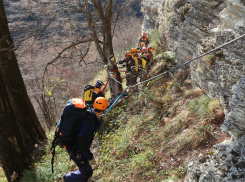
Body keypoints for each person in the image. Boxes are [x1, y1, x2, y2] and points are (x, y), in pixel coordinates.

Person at [63, 97, 108, 182]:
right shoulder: (89, 122)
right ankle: (67, 179)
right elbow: (82, 141)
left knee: (86, 171)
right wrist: (90, 157)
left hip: (77, 148)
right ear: (104, 109)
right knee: (86, 172)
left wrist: (99, 120)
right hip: (76, 150)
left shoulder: (90, 114)